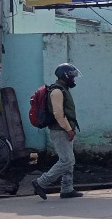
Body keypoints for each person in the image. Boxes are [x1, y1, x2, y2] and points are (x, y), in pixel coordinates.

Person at [33, 63, 84, 200]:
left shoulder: (63, 89)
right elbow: (58, 113)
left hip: (65, 129)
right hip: (60, 130)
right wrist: (68, 129)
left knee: (69, 160)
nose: (73, 80)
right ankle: (41, 182)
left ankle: (67, 189)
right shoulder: (57, 91)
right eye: (72, 77)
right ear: (65, 76)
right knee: (66, 160)